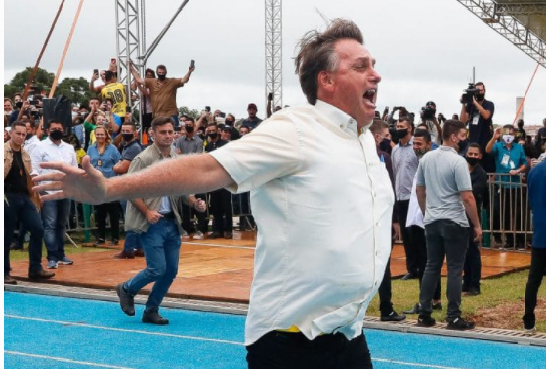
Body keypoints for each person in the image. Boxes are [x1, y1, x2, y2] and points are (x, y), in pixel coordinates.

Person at [34, 19, 392, 368]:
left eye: (373, 65)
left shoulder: (362, 141)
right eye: (361, 67)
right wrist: (110, 188)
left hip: (349, 336)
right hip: (292, 343)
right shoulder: (297, 130)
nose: (374, 74)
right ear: (326, 80)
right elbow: (205, 167)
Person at [116, 116, 206, 324]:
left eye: (170, 132)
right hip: (152, 223)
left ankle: (151, 310)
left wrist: (194, 202)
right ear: (152, 134)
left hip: (171, 222)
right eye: (163, 132)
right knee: (157, 268)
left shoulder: (175, 159)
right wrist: (147, 212)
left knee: (171, 270)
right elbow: (130, 189)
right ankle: (127, 288)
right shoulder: (143, 159)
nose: (168, 136)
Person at [416, 120, 482, 330]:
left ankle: (425, 312)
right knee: (454, 269)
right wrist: (477, 224)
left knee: (432, 266)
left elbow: (420, 190)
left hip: (433, 220)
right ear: (454, 137)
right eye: (463, 135)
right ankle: (453, 316)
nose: (465, 139)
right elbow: (467, 197)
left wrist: (428, 212)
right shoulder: (458, 162)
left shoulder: (427, 158)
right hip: (454, 220)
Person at [4, 121, 55, 283]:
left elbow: (29, 176)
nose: (20, 137)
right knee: (5, 235)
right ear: (10, 133)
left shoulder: (25, 154)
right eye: (17, 133)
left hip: (24, 196)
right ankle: (4, 271)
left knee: (37, 228)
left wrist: (36, 194)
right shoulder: (3, 151)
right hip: (7, 196)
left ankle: (35, 268)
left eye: (23, 134)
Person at [403, 129, 442, 315]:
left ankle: (427, 301)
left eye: (419, 144)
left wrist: (428, 214)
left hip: (426, 218)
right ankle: (433, 299)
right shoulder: (421, 162)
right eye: (414, 144)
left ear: (428, 143)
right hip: (415, 218)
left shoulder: (432, 161)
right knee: (425, 261)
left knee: (428, 262)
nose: (416, 147)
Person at [369, 119, 405, 322]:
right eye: (386, 137)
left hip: (379, 219)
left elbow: (390, 192)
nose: (388, 140)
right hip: (374, 219)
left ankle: (386, 307)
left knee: (382, 263)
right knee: (382, 263)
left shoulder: (384, 158)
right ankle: (385, 307)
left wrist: (394, 220)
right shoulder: (379, 159)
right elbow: (390, 191)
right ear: (377, 137)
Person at [31, 120, 78, 269]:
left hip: (65, 191)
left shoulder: (69, 148)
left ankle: (61, 254)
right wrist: (38, 192)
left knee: (61, 224)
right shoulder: (40, 147)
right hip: (48, 191)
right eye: (53, 128)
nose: (57, 130)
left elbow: (75, 169)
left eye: (59, 128)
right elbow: (34, 170)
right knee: (50, 224)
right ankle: (52, 257)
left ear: (63, 130)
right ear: (47, 130)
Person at [485, 125, 527, 249]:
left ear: (514, 135)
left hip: (516, 185)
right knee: (505, 213)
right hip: (502, 184)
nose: (509, 136)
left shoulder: (519, 147)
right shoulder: (498, 146)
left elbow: (524, 163)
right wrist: (494, 137)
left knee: (518, 213)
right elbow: (487, 151)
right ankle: (509, 240)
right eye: (506, 134)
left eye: (511, 134)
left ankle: (521, 241)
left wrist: (518, 170)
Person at [392, 116, 419, 280]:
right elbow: (395, 172)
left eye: (401, 125)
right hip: (400, 197)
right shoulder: (395, 149)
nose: (398, 127)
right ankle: (411, 268)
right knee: (406, 236)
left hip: (413, 197)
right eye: (397, 125)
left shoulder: (416, 146)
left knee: (415, 233)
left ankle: (419, 265)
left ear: (409, 128)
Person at [112, 121, 144, 259]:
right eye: (123, 131)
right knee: (134, 217)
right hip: (129, 185)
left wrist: (115, 167)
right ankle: (140, 247)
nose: (124, 134)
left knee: (130, 218)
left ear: (135, 133)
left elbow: (121, 168)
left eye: (127, 131)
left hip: (131, 187)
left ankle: (129, 249)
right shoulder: (126, 146)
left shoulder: (134, 148)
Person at [130, 62, 195, 126]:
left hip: (170, 114)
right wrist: (131, 67)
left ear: (166, 72)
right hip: (157, 115)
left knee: (173, 133)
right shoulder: (152, 82)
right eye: (160, 73)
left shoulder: (172, 81)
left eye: (163, 73)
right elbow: (138, 79)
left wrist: (189, 72)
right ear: (157, 73)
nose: (161, 74)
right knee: (159, 134)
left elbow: (184, 80)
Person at [523, 158, 546, 334]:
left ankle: (528, 321)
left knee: (534, 280)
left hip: (539, 233)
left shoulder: (534, 172)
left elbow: (531, 201)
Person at [87, 126, 121, 245]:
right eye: (98, 134)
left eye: (102, 134)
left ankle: (115, 237)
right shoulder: (91, 149)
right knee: (100, 212)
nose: (100, 136)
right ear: (95, 135)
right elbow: (88, 164)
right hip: (97, 185)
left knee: (113, 212)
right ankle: (101, 237)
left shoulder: (113, 149)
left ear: (106, 135)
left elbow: (119, 163)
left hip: (111, 184)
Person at [174, 117, 207, 240]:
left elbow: (197, 159)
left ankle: (202, 229)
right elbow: (177, 156)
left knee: (199, 202)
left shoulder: (198, 141)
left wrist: (184, 157)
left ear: (194, 126)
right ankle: (187, 229)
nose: (187, 126)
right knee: (186, 203)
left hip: (197, 176)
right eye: (186, 124)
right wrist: (187, 158)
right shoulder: (180, 140)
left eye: (190, 124)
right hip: (184, 175)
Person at [462, 143, 488, 296]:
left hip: (472, 215)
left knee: (473, 251)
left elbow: (473, 193)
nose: (472, 156)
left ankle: (475, 285)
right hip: (459, 214)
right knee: (463, 251)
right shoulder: (460, 169)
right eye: (469, 153)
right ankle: (466, 282)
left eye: (475, 154)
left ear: (479, 156)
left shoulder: (481, 174)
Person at [204, 124, 232, 239]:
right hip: (213, 180)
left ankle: (228, 230)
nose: (211, 132)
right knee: (215, 206)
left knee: (226, 206)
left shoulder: (225, 144)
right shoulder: (208, 146)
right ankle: (217, 230)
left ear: (218, 131)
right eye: (209, 130)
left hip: (224, 179)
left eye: (213, 130)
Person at [459, 82, 495, 172]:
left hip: (485, 143)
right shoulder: (470, 105)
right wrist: (464, 104)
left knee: (486, 169)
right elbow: (463, 121)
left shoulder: (489, 104)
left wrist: (474, 102)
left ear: (484, 91)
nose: (479, 92)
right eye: (477, 90)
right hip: (473, 143)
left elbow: (486, 115)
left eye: (481, 90)